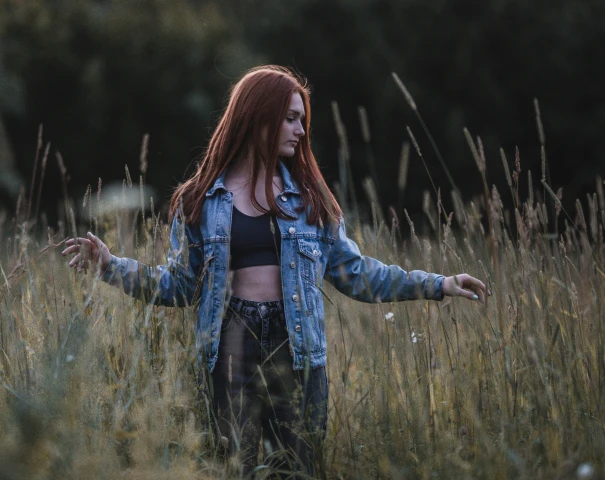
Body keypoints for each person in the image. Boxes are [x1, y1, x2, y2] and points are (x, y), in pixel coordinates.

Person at [61, 65, 488, 477]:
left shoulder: (309, 199)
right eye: (290, 119)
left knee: (296, 469)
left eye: (302, 120)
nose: (301, 131)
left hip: (296, 349)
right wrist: (110, 266)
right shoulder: (200, 201)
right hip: (230, 349)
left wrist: (439, 284)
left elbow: (357, 274)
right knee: (238, 468)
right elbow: (178, 286)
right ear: (257, 118)